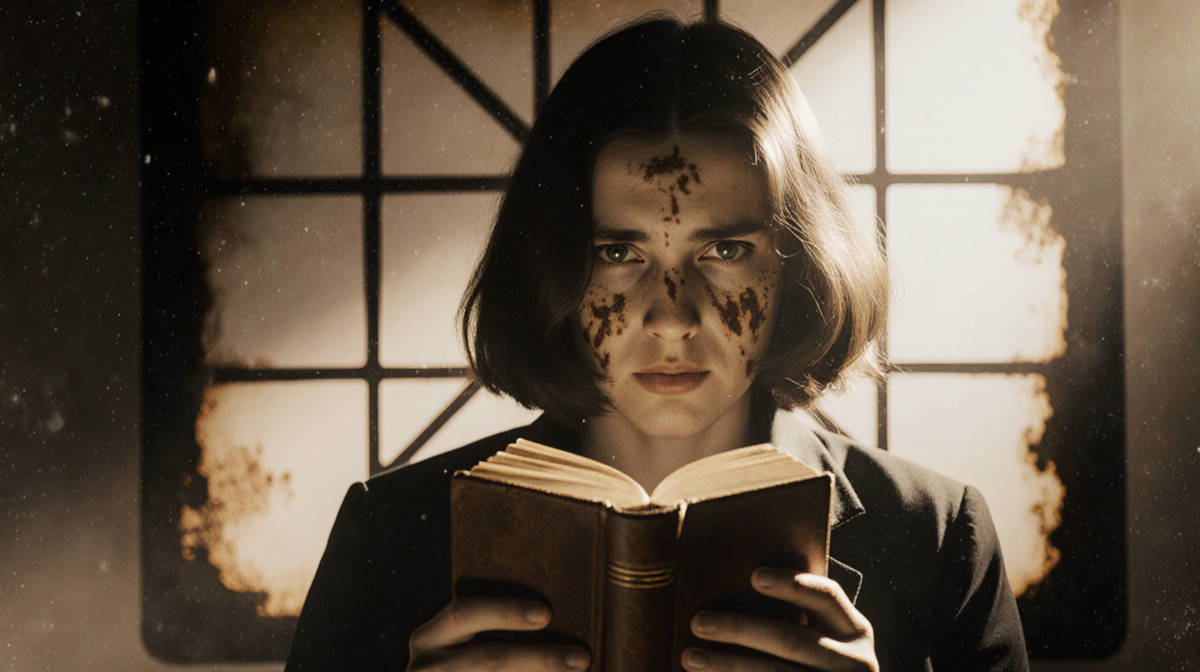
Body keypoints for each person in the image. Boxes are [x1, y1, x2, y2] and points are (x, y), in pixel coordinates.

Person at [285, 16, 1029, 672]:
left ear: (798, 267)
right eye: (618, 252)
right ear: (550, 265)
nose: (672, 319)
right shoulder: (386, 536)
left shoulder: (939, 537)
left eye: (725, 250)